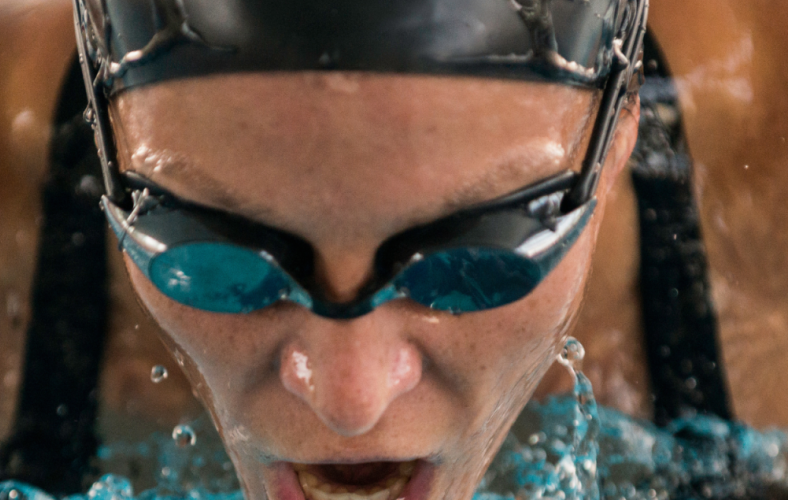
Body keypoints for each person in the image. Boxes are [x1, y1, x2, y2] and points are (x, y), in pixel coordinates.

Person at [62, 0, 647, 499]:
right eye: (212, 255)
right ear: (107, 143)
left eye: (474, 262)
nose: (348, 401)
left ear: (616, 144)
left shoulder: (736, 244)